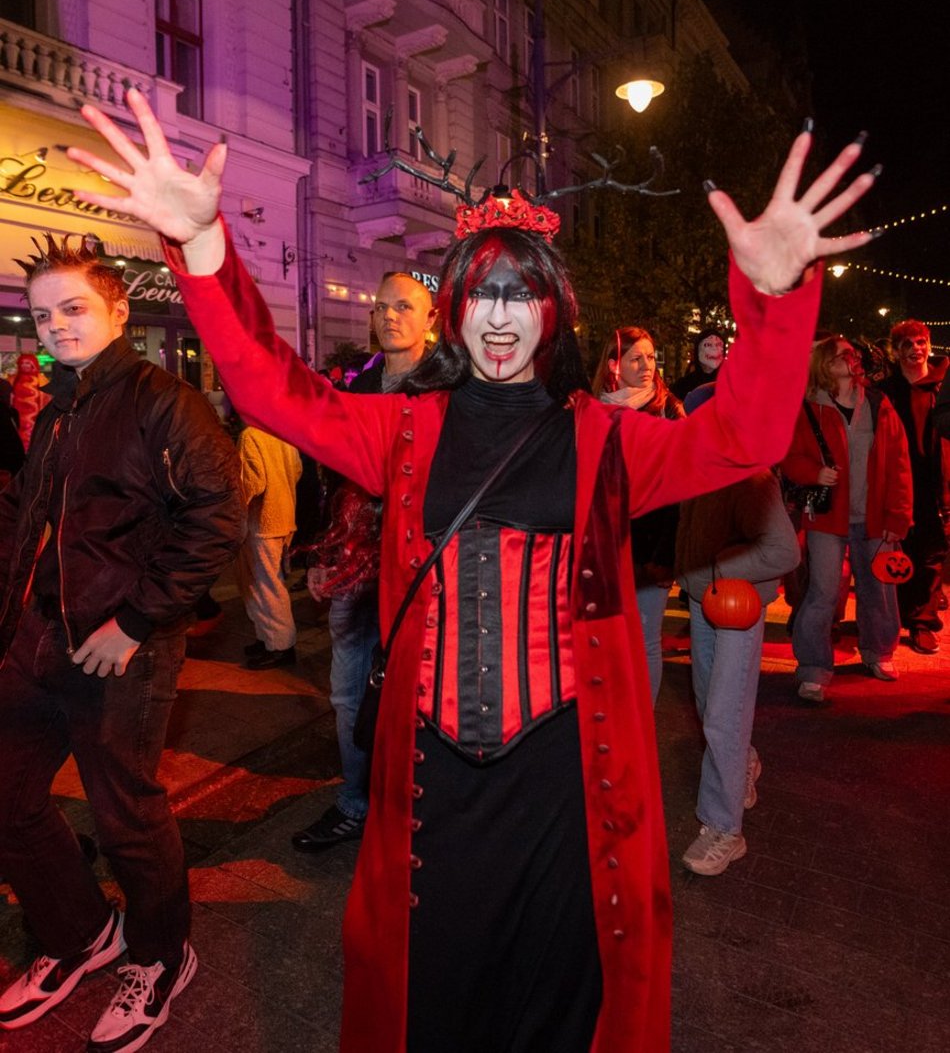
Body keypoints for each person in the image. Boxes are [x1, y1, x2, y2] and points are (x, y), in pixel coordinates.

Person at [68, 90, 877, 1053]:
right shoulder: (401, 430)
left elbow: (744, 436)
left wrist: (777, 301)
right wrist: (203, 252)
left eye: (520, 293)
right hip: (436, 781)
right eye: (481, 294)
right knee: (437, 989)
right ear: (454, 309)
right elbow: (269, 389)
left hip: (568, 778)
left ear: (554, 310)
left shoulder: (607, 440)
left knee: (560, 991)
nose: (500, 318)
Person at [0, 235, 244, 1051]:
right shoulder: (61, 403)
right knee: (7, 796)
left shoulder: (161, 398)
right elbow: (38, 522)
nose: (57, 326)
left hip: (121, 649)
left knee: (126, 816)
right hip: (36, 641)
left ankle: (160, 955)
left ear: (117, 310)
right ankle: (79, 935)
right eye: (43, 314)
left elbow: (217, 516)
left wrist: (136, 623)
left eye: (73, 309)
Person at [292, 271, 436, 851]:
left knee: (419, 695)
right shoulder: (354, 387)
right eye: (381, 307)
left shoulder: (451, 388)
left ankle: (415, 808)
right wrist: (320, 551)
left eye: (404, 306)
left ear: (431, 319)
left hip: (421, 565)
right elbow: (321, 475)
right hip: (354, 561)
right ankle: (355, 801)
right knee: (349, 690)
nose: (389, 316)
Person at [675, 382, 800, 874]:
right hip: (702, 602)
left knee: (724, 713)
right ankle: (742, 761)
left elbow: (783, 552)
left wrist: (720, 571)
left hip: (738, 610)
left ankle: (723, 827)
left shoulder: (751, 479)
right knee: (710, 705)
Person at [782, 336, 912, 703]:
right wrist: (813, 472)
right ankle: (813, 668)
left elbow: (899, 464)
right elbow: (789, 456)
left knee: (879, 589)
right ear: (825, 364)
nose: (852, 359)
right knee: (823, 592)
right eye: (842, 355)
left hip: (874, 516)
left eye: (853, 354)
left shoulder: (877, 403)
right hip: (828, 518)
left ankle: (879, 653)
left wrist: (898, 516)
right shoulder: (808, 407)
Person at [592, 327, 684, 701]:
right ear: (614, 365)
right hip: (603, 542)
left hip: (652, 546)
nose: (647, 365)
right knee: (605, 634)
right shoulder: (593, 410)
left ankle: (643, 718)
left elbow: (681, 486)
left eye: (650, 357)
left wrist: (666, 554)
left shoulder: (668, 410)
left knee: (646, 636)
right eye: (636, 358)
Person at [880, 321, 949, 654]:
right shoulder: (885, 391)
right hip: (896, 481)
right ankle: (897, 616)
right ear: (897, 350)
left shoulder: (943, 388)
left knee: (932, 553)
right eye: (907, 344)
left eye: (920, 342)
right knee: (898, 551)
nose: (915, 350)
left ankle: (923, 620)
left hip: (936, 482)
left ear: (929, 344)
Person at [237, 424, 303, 669]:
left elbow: (252, 483)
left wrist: (235, 506)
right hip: (284, 516)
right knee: (270, 582)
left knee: (264, 585)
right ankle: (268, 638)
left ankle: (279, 646)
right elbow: (297, 471)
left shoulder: (250, 436)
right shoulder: (283, 432)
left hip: (263, 521)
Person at [671, 327, 726, 401]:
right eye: (708, 345)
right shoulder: (682, 386)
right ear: (698, 351)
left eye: (718, 345)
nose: (714, 349)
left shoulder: (731, 384)